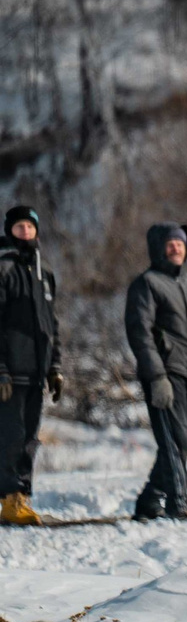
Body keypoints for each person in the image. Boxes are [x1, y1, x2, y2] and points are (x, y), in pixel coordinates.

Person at [124, 221, 187, 522]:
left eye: (181, 243)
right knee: (174, 442)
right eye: (171, 243)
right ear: (158, 248)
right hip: (163, 374)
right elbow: (140, 333)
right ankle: (178, 501)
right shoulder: (147, 284)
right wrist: (156, 376)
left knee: (182, 442)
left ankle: (150, 499)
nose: (177, 247)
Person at [0, 204, 61, 527]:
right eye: (19, 226)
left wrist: (56, 367)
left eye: (30, 226)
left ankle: (21, 496)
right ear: (9, 230)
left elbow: (52, 325)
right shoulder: (3, 268)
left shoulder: (44, 272)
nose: (25, 232)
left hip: (37, 371)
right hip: (9, 371)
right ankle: (9, 499)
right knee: (10, 436)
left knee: (29, 439)